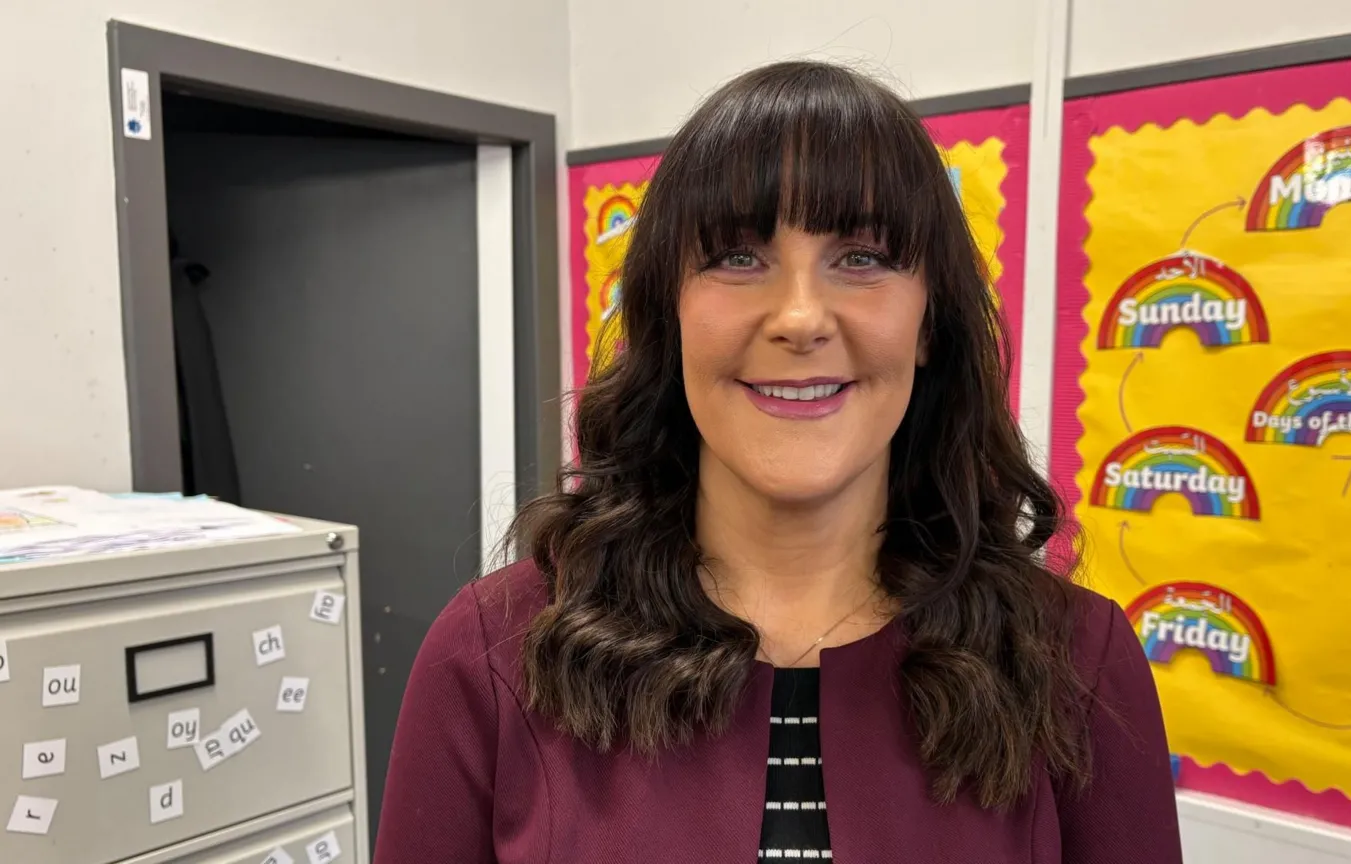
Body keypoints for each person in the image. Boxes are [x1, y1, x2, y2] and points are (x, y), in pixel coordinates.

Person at [373, 60, 1181, 863]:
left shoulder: (1076, 663)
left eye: (861, 256)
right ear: (669, 315)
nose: (799, 317)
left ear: (929, 322)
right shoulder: (492, 656)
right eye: (737, 256)